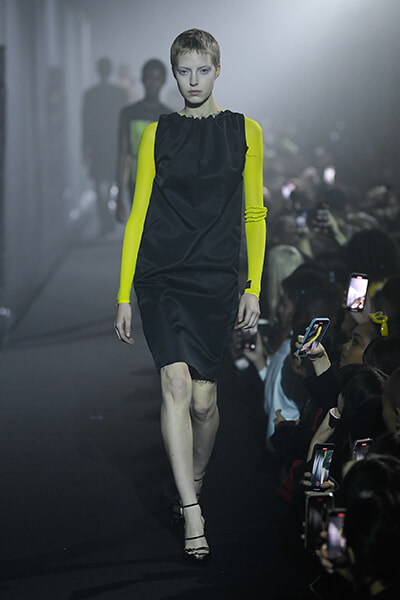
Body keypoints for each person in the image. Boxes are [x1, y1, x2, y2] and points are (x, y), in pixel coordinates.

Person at [114, 29, 266, 562]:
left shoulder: (246, 131)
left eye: (203, 70)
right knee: (175, 383)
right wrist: (124, 293)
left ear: (218, 70)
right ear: (174, 74)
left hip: (216, 278)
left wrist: (253, 285)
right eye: (184, 71)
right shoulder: (156, 133)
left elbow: (254, 213)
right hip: (162, 275)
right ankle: (192, 511)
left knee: (204, 402)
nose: (193, 81)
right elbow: (138, 213)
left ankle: (194, 479)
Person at [115, 59, 172, 223]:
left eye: (157, 79)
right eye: (149, 78)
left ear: (163, 81)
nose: (152, 84)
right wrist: (119, 195)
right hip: (136, 181)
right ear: (142, 80)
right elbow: (122, 154)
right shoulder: (129, 113)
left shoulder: (169, 117)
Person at [82, 57, 129, 234]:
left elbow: (86, 122)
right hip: (113, 142)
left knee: (98, 181)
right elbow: (125, 120)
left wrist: (85, 147)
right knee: (112, 179)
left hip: (98, 143)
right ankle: (109, 216)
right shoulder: (119, 93)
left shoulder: (90, 94)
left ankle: (104, 217)